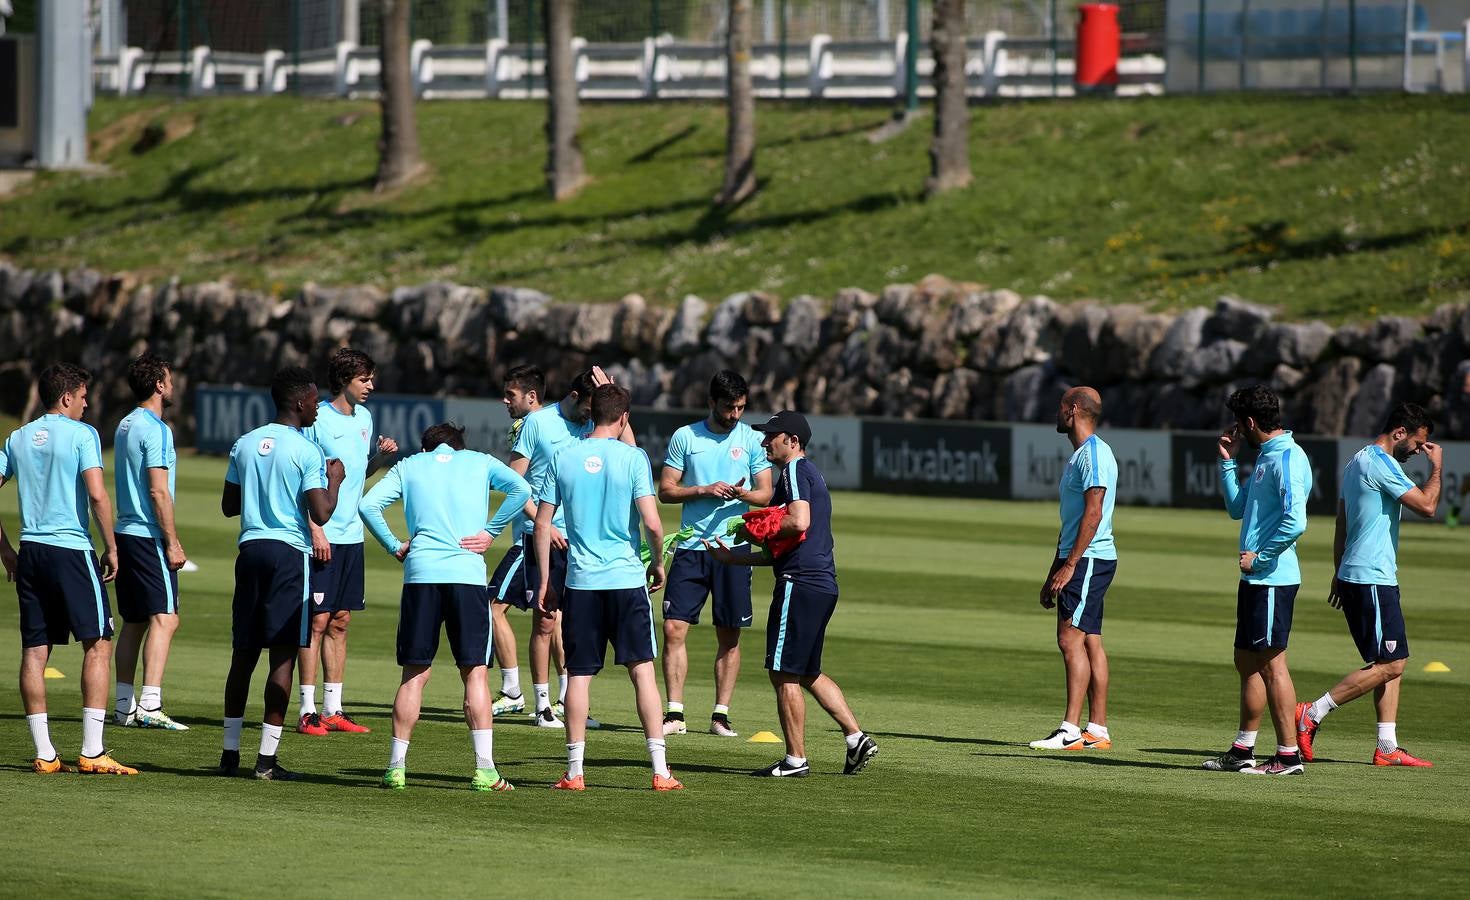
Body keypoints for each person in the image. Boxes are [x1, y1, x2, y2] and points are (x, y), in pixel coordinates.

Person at [705, 411, 878, 778]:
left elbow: (798, 521)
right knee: (807, 672)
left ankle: (795, 760)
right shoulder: (801, 475)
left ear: (793, 442)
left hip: (800, 583)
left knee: (783, 673)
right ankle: (856, 738)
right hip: (819, 583)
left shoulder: (797, 471)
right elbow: (776, 552)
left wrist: (759, 529)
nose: (765, 442)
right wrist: (730, 557)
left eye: (772, 436)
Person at [360, 422, 531, 792]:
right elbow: (521, 488)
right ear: (459, 446)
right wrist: (492, 530)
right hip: (466, 575)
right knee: (474, 674)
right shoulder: (479, 462)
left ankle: (396, 767)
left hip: (421, 574)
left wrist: (393, 545)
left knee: (414, 674)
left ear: (427, 448)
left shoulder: (410, 466)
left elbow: (367, 504)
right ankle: (485, 769)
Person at [534, 384, 680, 791]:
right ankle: (660, 771)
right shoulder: (633, 458)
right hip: (625, 579)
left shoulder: (564, 457)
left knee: (578, 676)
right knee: (642, 672)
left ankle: (575, 772)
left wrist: (547, 581)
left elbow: (543, 524)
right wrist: (657, 562)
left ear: (591, 412)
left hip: (581, 582)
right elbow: (652, 523)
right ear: (624, 418)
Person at [0, 363, 136, 775]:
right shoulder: (82, 435)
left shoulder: (18, 438)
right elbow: (97, 495)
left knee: (34, 651)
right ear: (66, 398)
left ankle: (45, 754)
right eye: (82, 397)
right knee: (98, 642)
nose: (86, 404)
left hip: (32, 551)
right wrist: (112, 547)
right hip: (72, 552)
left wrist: (6, 551)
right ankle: (92, 752)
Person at [1296, 403, 1441, 768]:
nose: (1419, 450)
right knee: (1392, 663)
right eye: (1418, 442)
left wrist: (1338, 569)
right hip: (1371, 577)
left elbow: (1341, 520)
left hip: (1363, 574)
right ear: (1399, 433)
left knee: (1389, 660)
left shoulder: (1356, 459)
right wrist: (1438, 468)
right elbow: (1427, 506)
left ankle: (1387, 747)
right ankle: (1312, 712)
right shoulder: (1381, 464)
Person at [219, 367, 345, 781]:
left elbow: (229, 505)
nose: (316, 407)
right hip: (288, 554)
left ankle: (229, 755)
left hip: (250, 549)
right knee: (284, 654)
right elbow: (322, 511)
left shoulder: (245, 442)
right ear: (299, 402)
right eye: (313, 400)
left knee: (243, 654)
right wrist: (336, 479)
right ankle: (266, 761)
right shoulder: (305, 450)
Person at [510, 367, 629, 727]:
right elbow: (513, 481)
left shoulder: (594, 426)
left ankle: (568, 702)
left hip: (582, 541)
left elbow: (632, 453)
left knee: (574, 625)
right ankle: (542, 705)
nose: (594, 417)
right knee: (545, 621)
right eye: (591, 407)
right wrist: (539, 522)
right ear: (576, 397)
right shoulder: (538, 424)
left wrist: (612, 393)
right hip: (544, 536)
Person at [657, 370, 773, 738]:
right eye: (728, 407)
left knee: (730, 635)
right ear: (711, 402)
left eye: (740, 407)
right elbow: (666, 490)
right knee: (674, 628)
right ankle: (675, 712)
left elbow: (765, 494)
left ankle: (721, 714)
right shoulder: (685, 437)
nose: (735, 414)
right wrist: (705, 489)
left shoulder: (753, 439)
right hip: (692, 547)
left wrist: (740, 495)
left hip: (734, 549)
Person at [1202, 385, 1311, 776]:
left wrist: (1261, 558)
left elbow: (1296, 521)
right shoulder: (1267, 456)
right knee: (1246, 660)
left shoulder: (1287, 459)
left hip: (1271, 578)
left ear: (1250, 422)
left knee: (1271, 663)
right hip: (1257, 580)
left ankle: (1287, 755)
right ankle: (1243, 749)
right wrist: (1228, 463)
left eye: (1238, 424)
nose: (1236, 430)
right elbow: (1237, 508)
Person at [297, 349, 398, 736]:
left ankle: (333, 708)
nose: (371, 386)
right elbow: (305, 477)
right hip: (323, 533)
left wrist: (379, 459)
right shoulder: (318, 418)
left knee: (341, 621)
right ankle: (307, 711)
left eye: (371, 378)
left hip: (352, 535)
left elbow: (355, 474)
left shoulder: (365, 418)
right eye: (364, 379)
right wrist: (315, 529)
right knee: (317, 621)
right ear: (344, 381)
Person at [1029, 387, 1118, 751]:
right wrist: (1055, 568)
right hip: (1085, 557)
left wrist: (1069, 566)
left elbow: (1093, 514)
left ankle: (1070, 729)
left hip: (1089, 559)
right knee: (1090, 640)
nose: (1057, 412)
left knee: (1069, 639)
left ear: (1074, 410)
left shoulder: (1094, 454)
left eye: (1061, 406)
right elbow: (1072, 519)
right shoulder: (1082, 454)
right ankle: (1097, 729)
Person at [112, 353, 189, 731]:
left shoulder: (125, 424)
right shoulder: (157, 429)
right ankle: (151, 704)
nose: (172, 385)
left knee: (136, 620)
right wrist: (172, 542)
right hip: (147, 534)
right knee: (166, 618)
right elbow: (159, 492)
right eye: (169, 379)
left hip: (125, 532)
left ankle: (124, 705)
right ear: (159, 384)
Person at [485, 364, 548, 717]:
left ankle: (512, 690)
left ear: (531, 396)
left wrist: (540, 520)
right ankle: (563, 699)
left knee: (493, 605)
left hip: (531, 535)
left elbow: (516, 484)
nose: (505, 401)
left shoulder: (529, 427)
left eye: (511, 394)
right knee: (551, 616)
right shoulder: (559, 426)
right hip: (550, 533)